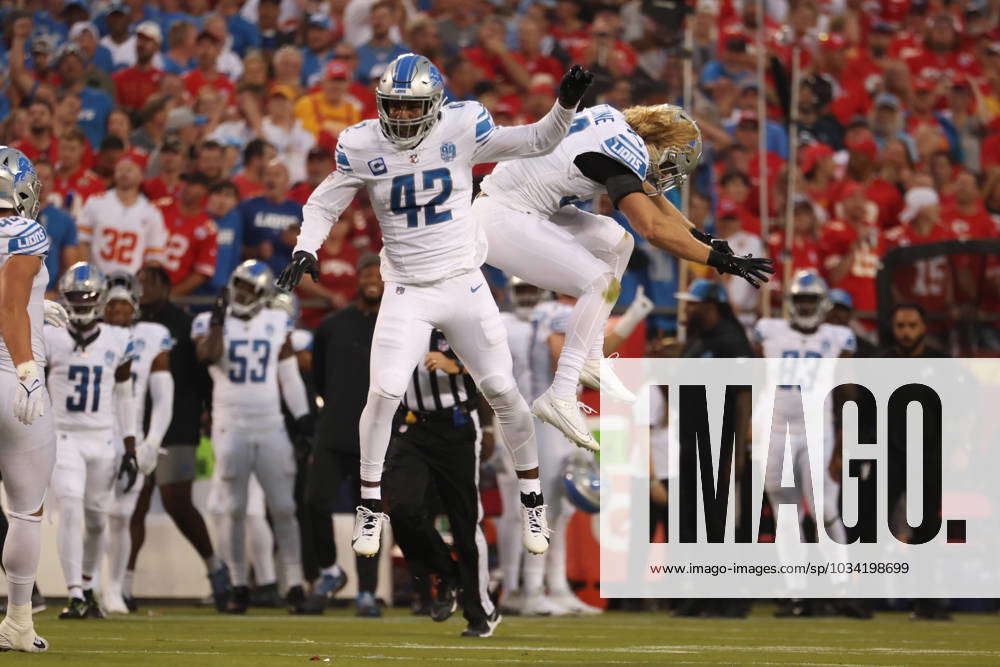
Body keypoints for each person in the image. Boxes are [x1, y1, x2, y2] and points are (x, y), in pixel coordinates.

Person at [277, 54, 596, 564]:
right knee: (382, 391)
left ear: (435, 104)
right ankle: (368, 503)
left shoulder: (463, 125)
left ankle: (532, 497)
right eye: (395, 107)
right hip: (405, 288)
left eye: (412, 108)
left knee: (503, 391)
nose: (402, 117)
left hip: (464, 283)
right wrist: (307, 246)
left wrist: (566, 104)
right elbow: (322, 203)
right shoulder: (361, 143)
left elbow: (538, 140)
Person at [473, 103, 773, 449]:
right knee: (599, 281)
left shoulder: (615, 124)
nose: (666, 171)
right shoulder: (620, 155)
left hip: (529, 206)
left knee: (617, 242)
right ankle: (561, 393)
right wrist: (721, 261)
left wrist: (701, 237)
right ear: (658, 146)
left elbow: (651, 195)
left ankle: (592, 359)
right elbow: (654, 228)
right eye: (670, 161)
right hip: (502, 216)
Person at [192, 260, 313, 613]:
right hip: (230, 425)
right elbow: (207, 357)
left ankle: (293, 583)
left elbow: (289, 378)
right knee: (234, 509)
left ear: (262, 295)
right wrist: (217, 322)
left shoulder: (277, 321)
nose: (242, 294)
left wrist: (304, 421)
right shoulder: (214, 323)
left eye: (250, 289)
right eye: (239, 286)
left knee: (284, 507)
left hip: (271, 423)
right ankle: (238, 584)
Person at [752, 270, 870, 619]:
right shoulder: (769, 331)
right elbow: (757, 383)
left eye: (810, 300)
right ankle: (795, 591)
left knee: (825, 509)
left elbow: (847, 393)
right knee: (786, 513)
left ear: (823, 304)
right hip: (776, 431)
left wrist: (845, 442)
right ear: (790, 303)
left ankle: (841, 586)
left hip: (819, 430)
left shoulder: (839, 338)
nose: (805, 307)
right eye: (800, 300)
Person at [382, 328, 500, 637]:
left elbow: (496, 368)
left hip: (456, 425)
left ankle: (480, 609)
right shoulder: (396, 317)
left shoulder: (459, 315)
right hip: (412, 426)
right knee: (402, 510)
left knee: (464, 520)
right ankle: (447, 573)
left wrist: (456, 366)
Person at [126, 265, 231, 612]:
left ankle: (216, 569)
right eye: (138, 282)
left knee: (177, 501)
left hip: (179, 423)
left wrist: (206, 412)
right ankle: (121, 586)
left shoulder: (184, 325)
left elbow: (202, 375)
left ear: (167, 288)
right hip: (136, 423)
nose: (142, 288)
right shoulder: (126, 323)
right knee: (133, 505)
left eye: (149, 282)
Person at [44, 262, 138, 620]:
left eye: (88, 296)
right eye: (75, 297)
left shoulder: (119, 338)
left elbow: (125, 394)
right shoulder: (50, 334)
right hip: (63, 435)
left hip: (102, 439)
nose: (82, 302)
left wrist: (130, 447)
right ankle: (75, 593)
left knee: (98, 520)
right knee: (69, 503)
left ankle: (88, 585)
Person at [302, 253, 382, 617]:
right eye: (366, 272)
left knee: (368, 515)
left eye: (378, 273)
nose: (372, 278)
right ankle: (330, 571)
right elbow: (318, 377)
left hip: (376, 436)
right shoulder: (332, 325)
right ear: (356, 278)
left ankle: (367, 591)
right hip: (334, 429)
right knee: (315, 502)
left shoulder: (396, 324)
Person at [0, 146, 54, 652]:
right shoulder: (24, 230)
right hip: (10, 381)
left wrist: (46, 305)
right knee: (25, 510)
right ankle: (18, 619)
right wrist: (26, 368)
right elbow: (11, 305)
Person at [98, 272, 174, 614]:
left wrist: (153, 439)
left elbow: (163, 396)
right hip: (93, 434)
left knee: (122, 516)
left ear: (136, 307)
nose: (117, 310)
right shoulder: (85, 334)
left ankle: (113, 588)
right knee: (91, 516)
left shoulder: (152, 336)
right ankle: (85, 586)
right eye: (111, 304)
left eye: (123, 304)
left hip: (131, 436)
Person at [77, 158, 168, 275]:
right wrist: (87, 273)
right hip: (97, 279)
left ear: (142, 175)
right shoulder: (96, 202)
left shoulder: (152, 212)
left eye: (129, 170)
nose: (124, 173)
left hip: (132, 283)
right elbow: (82, 241)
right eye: (120, 169)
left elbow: (154, 257)